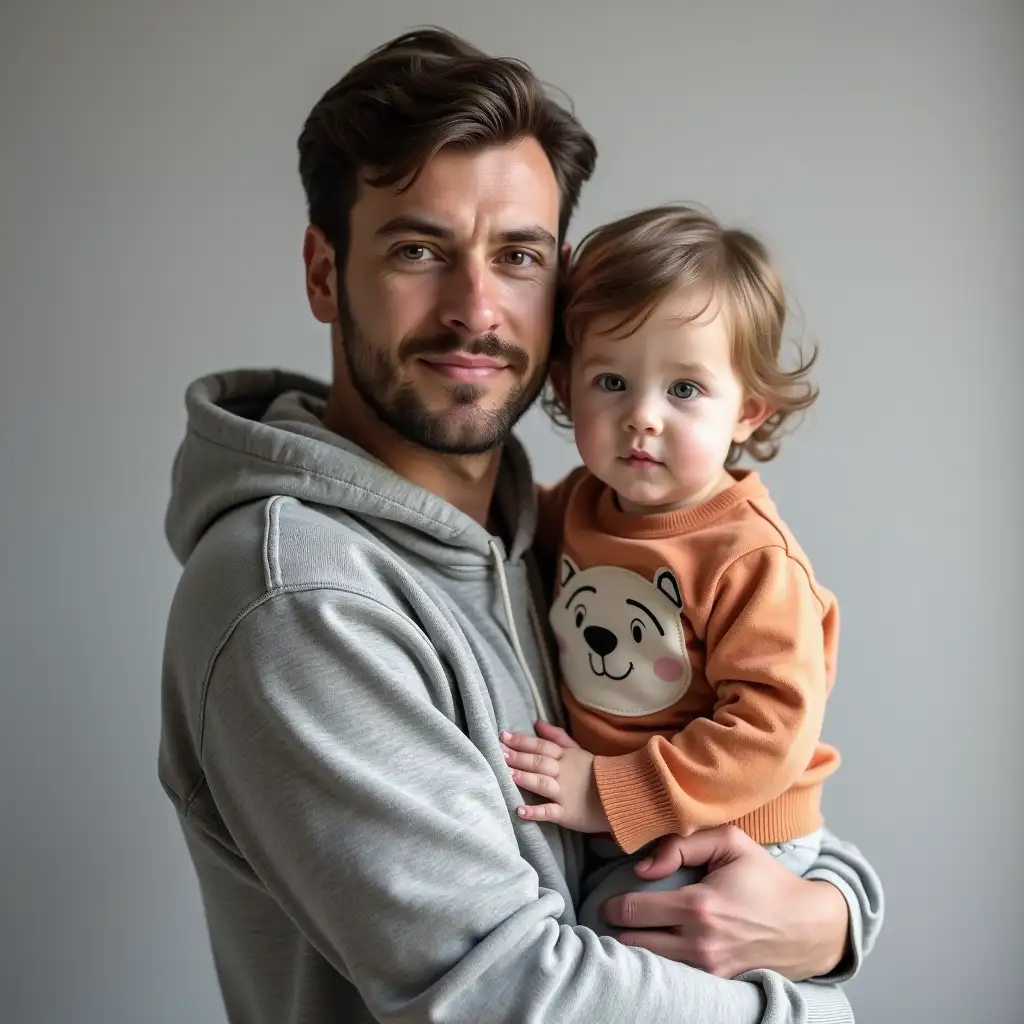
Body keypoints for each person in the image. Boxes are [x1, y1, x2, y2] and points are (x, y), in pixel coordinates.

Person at [158, 28, 883, 1024]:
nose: (475, 308)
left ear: (564, 290)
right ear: (325, 272)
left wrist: (832, 916)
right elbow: (505, 991)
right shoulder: (300, 596)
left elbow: (759, 772)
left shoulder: (552, 532)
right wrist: (813, 1012)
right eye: (419, 250)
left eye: (518, 256)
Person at [501, 204, 841, 934]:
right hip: (631, 815)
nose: (642, 417)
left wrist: (614, 792)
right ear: (566, 388)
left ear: (747, 409)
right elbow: (502, 519)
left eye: (684, 389)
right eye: (612, 382)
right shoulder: (583, 506)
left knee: (616, 943)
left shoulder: (749, 558)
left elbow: (768, 732)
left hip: (740, 828)